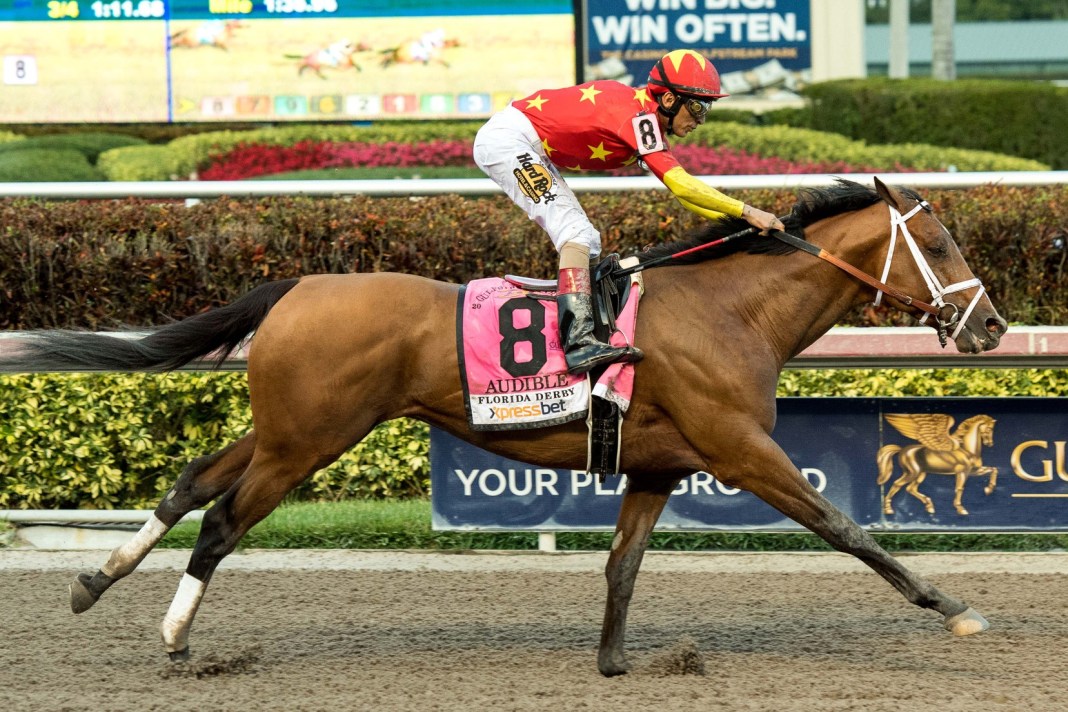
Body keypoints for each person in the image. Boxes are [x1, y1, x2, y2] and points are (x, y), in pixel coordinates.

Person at [473, 49, 785, 375]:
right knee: (575, 235)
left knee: (586, 240)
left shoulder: (642, 114)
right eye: (696, 107)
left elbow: (684, 198)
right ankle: (577, 343)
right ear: (667, 100)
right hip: (509, 142)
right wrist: (747, 211)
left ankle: (587, 333)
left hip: (521, 139)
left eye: (706, 108)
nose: (700, 120)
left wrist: (738, 221)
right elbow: (681, 185)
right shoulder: (639, 119)